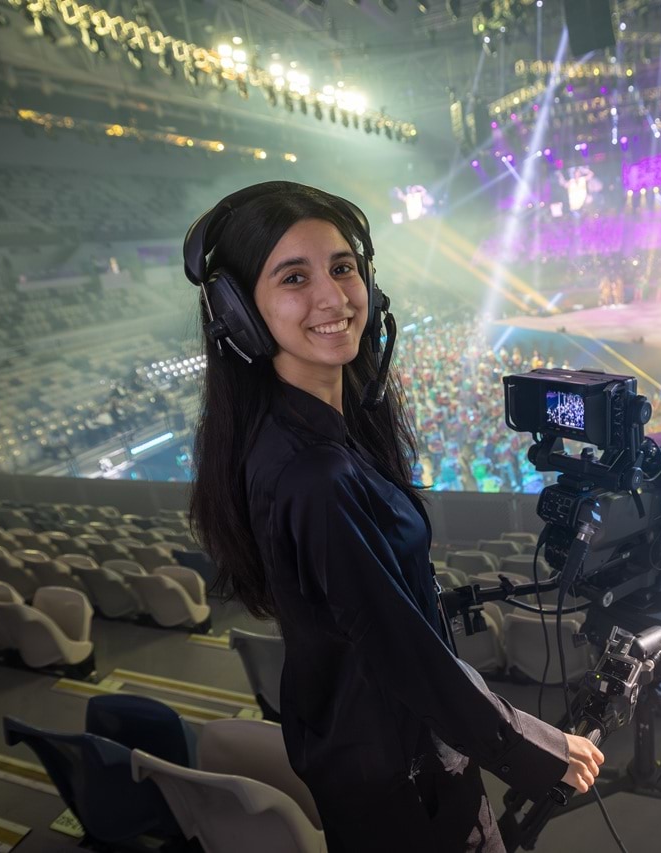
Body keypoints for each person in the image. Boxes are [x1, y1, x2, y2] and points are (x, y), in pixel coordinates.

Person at [183, 182, 601, 853]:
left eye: (343, 268)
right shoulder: (313, 474)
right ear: (237, 311)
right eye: (294, 277)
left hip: (378, 759)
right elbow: (402, 653)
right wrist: (535, 745)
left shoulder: (309, 433)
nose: (332, 297)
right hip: (406, 786)